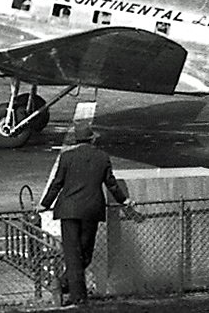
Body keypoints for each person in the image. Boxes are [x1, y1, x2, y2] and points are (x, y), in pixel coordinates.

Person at [38, 126, 131, 306]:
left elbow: (57, 184)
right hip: (91, 211)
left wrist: (45, 204)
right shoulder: (102, 157)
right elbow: (111, 184)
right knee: (85, 254)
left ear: (76, 140)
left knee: (73, 254)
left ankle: (68, 288)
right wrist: (124, 200)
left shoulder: (67, 157)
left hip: (69, 210)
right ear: (92, 140)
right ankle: (75, 294)